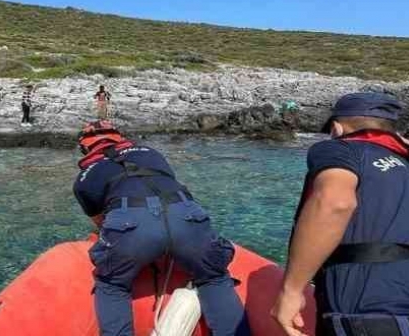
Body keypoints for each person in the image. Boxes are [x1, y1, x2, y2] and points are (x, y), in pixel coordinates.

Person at [73, 120, 250, 336]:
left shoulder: (84, 180)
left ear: (85, 148)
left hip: (131, 223)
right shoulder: (150, 153)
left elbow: (102, 223)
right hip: (185, 213)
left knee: (112, 285)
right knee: (214, 277)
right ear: (120, 139)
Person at [271, 92, 409, 336]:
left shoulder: (341, 149)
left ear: (336, 128)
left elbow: (335, 203)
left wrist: (291, 291)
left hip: (365, 310)